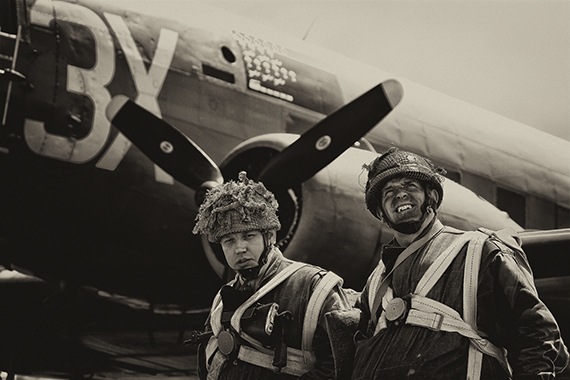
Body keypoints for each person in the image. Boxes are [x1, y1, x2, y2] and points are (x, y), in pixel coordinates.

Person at [352, 147, 569, 380]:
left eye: (410, 186)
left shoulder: (481, 252)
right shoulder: (375, 284)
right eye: (389, 192)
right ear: (381, 214)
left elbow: (535, 335)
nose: (400, 194)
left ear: (432, 197)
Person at [192, 171, 351, 380]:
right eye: (228, 241)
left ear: (270, 236)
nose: (239, 248)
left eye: (248, 236)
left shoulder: (315, 288)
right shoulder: (221, 302)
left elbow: (341, 365)